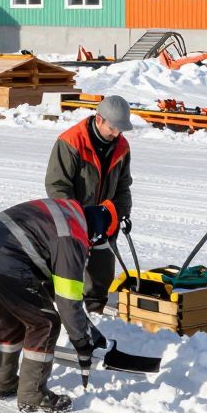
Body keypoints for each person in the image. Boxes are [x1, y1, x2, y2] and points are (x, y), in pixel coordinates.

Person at [0, 197, 115, 413]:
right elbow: (67, 301)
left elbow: (52, 287)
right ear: (96, 234)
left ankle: (3, 382)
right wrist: (82, 341)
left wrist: (87, 329)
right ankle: (32, 394)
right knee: (45, 323)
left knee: (14, 317)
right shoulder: (73, 238)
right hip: (7, 259)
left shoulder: (68, 212)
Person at [45, 95, 134, 313]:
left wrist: (121, 213)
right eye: (112, 128)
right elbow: (57, 185)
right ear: (99, 119)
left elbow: (123, 186)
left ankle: (96, 310)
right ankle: (64, 309)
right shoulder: (71, 141)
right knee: (69, 265)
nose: (116, 134)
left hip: (104, 217)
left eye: (120, 130)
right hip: (73, 216)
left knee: (102, 263)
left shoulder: (121, 146)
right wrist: (78, 216)